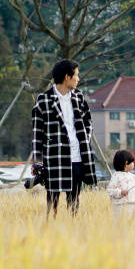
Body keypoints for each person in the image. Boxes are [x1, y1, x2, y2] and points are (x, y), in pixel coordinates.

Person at [31, 59, 97, 216]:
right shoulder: (43, 100)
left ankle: (72, 228)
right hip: (55, 156)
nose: (78, 79)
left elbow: (88, 122)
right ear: (67, 77)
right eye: (76, 75)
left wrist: (85, 139)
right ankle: (50, 228)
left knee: (74, 198)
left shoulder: (79, 97)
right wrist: (38, 160)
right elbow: (37, 133)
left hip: (78, 156)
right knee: (52, 196)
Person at [107, 149, 135, 219]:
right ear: (126, 163)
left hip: (134, 204)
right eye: (132, 162)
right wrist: (120, 192)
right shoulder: (116, 176)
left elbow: (134, 189)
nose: (133, 164)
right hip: (121, 206)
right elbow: (110, 191)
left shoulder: (132, 176)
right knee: (122, 223)